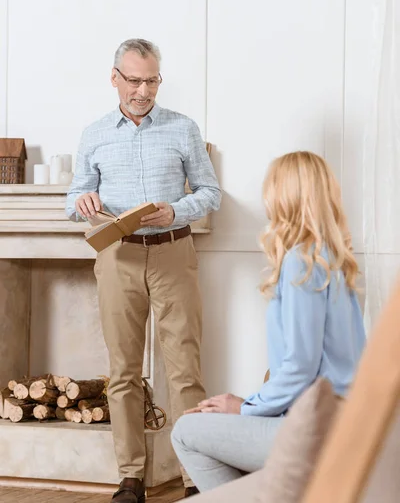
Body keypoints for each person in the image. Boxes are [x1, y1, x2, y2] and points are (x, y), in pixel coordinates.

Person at [66, 38, 221, 502]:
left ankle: (195, 477)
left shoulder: (183, 128)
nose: (142, 90)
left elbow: (210, 193)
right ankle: (131, 477)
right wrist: (83, 202)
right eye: (133, 80)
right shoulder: (94, 133)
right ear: (114, 77)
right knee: (123, 372)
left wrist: (174, 211)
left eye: (151, 80)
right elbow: (74, 198)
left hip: (173, 251)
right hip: (117, 255)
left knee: (185, 369)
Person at [171, 151, 366, 493]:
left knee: (186, 431)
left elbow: (300, 367)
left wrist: (246, 407)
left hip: (315, 433)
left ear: (284, 196)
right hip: (344, 424)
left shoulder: (301, 263)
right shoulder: (332, 261)